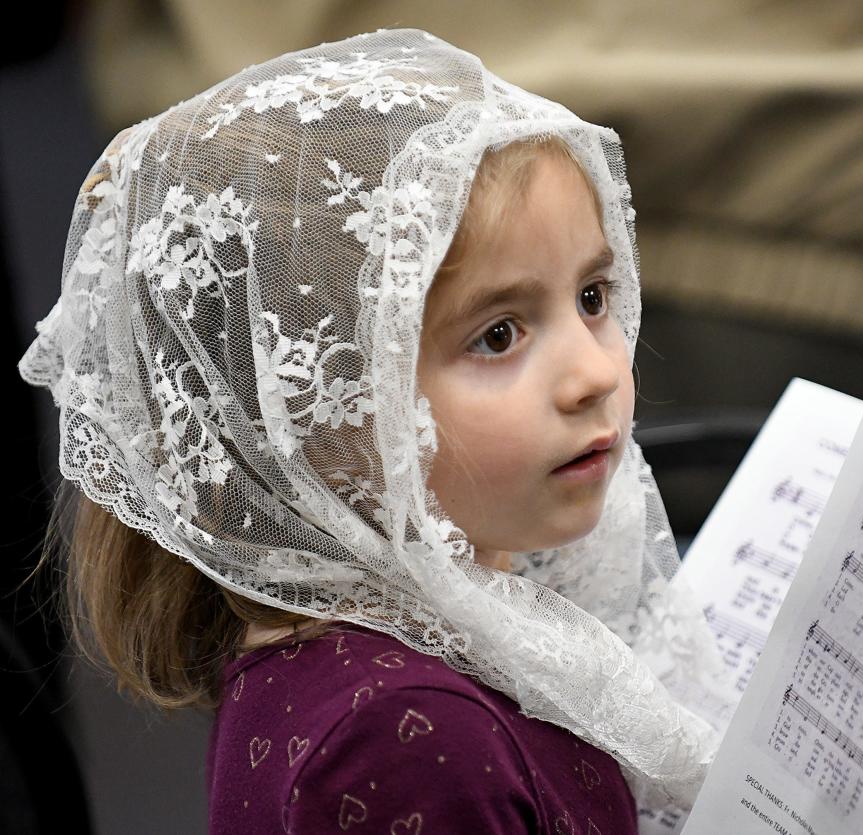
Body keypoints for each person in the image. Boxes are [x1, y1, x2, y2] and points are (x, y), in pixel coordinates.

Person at [18, 29, 730, 833]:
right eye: (498, 334)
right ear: (315, 419)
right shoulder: (401, 740)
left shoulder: (458, 610)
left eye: (593, 296)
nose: (596, 373)